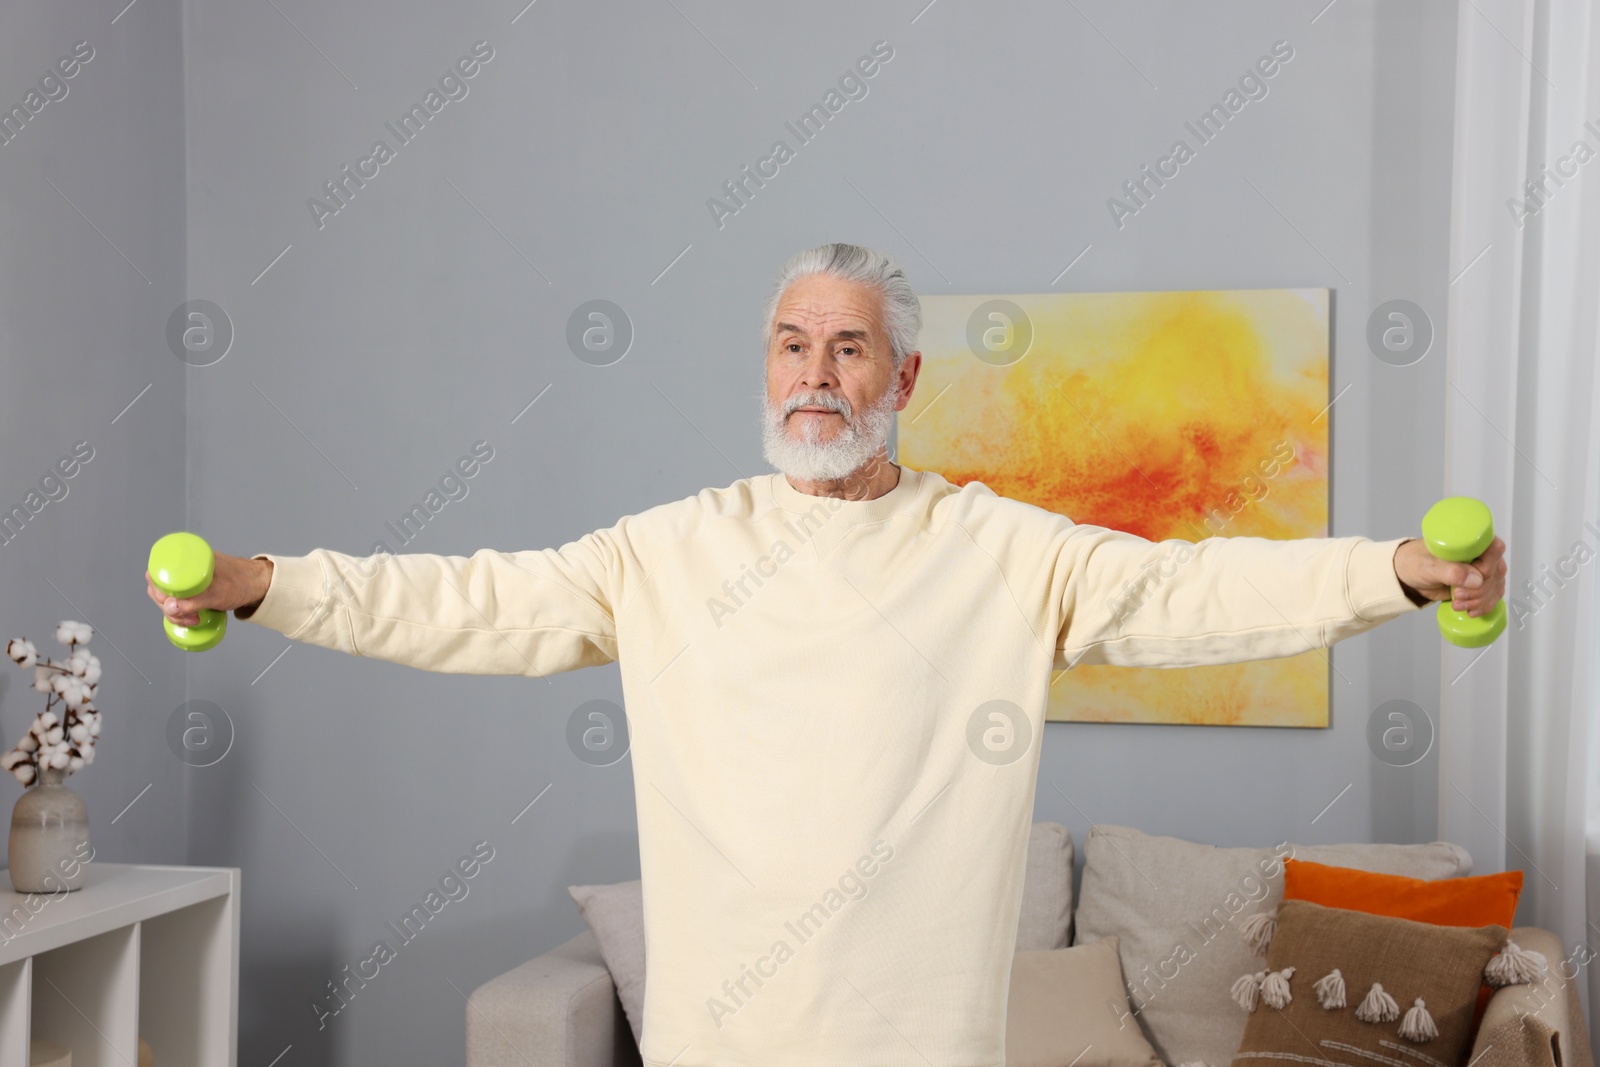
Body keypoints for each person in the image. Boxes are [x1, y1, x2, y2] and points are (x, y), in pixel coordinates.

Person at [146, 243, 1506, 1066]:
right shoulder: (669, 551)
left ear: (902, 381)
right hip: (720, 1044)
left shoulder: (999, 549)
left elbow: (1195, 593)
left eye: (848, 348)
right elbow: (472, 603)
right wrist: (270, 586)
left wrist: (1392, 571)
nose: (813, 372)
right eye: (791, 344)